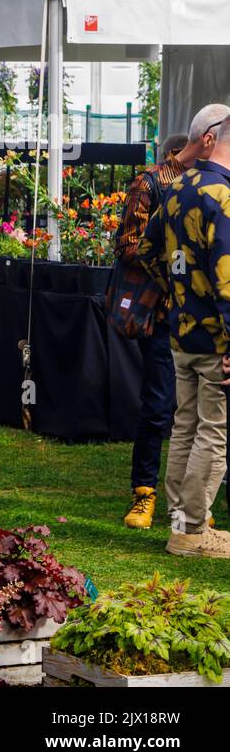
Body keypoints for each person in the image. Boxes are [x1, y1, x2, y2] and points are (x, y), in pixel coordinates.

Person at [117, 113, 225, 529]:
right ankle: (151, 498)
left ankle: (187, 509)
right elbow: (132, 247)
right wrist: (180, 276)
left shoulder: (201, 185)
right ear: (207, 141)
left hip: (190, 316)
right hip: (170, 316)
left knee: (190, 417)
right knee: (164, 409)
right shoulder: (156, 182)